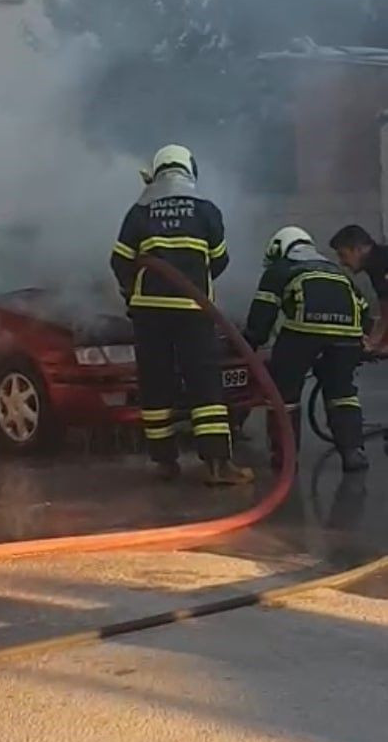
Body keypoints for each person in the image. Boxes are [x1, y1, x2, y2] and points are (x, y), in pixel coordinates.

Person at [110, 143, 252, 486]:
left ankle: (164, 463)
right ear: (189, 169)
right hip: (192, 311)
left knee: (156, 383)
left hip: (148, 314)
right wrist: (194, 281)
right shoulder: (205, 209)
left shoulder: (139, 209)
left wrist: (133, 293)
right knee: (204, 384)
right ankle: (218, 466)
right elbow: (220, 259)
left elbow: (120, 260)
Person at [244, 226, 369, 473]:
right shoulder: (337, 272)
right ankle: (353, 453)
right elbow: (363, 310)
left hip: (302, 333)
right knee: (342, 392)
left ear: (281, 249)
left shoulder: (280, 269)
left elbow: (262, 316)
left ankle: (285, 458)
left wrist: (248, 346)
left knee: (284, 394)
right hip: (346, 337)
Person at [329, 224, 388, 352]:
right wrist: (374, 342)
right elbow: (385, 307)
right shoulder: (377, 265)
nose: (342, 262)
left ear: (358, 249)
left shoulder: (382, 264)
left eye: (343, 255)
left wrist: (375, 343)